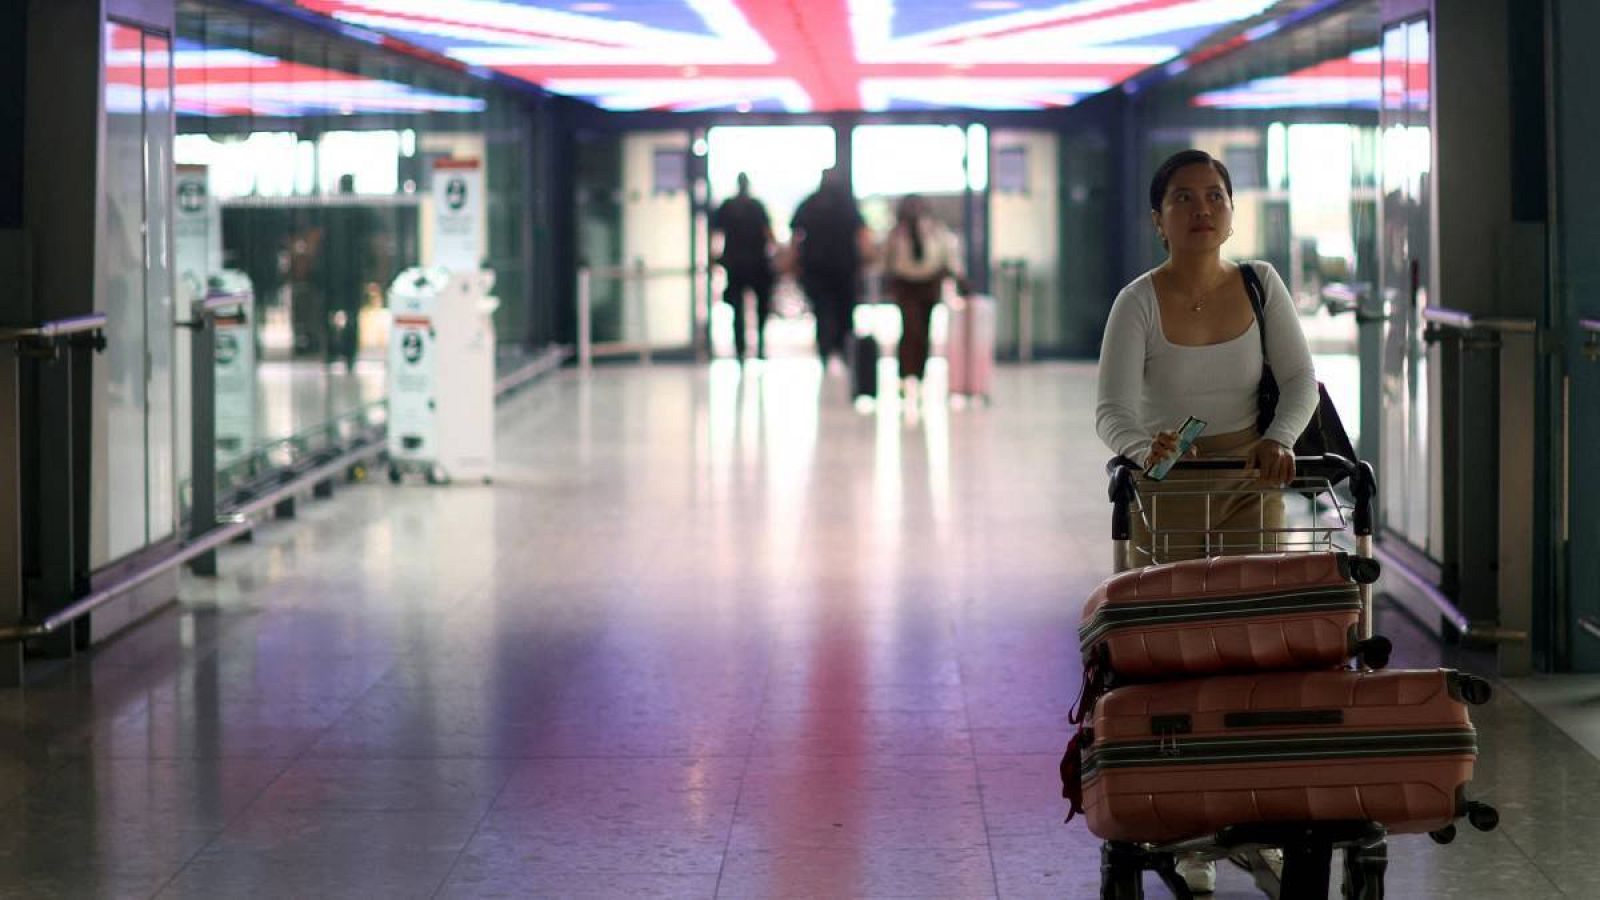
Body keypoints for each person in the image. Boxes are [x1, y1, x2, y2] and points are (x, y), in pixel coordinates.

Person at [1094, 148, 1316, 893]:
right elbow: (1111, 411)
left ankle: (1256, 824)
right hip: (1167, 493)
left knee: (1253, 654)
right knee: (1177, 660)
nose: (1201, 209)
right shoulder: (1138, 303)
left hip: (1251, 483)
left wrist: (1280, 439)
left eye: (1215, 195)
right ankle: (1188, 833)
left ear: (1231, 210)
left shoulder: (1261, 285)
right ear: (1157, 220)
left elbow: (1300, 380)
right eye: (1183, 198)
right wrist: (1143, 449)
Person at [881, 194, 964, 407]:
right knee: (911, 327)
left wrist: (956, 277)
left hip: (929, 284)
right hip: (905, 285)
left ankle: (919, 375)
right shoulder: (897, 233)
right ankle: (905, 375)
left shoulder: (936, 230)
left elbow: (948, 255)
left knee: (924, 330)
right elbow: (887, 260)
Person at [790, 168, 868, 367]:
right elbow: (862, 233)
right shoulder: (846, 204)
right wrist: (865, 259)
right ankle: (842, 351)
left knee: (822, 310)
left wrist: (795, 261)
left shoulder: (810, 203)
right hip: (842, 267)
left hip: (817, 267)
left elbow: (795, 235)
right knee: (843, 311)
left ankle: (826, 350)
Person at [711, 173, 776, 361]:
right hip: (756, 264)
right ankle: (759, 346)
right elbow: (769, 234)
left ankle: (740, 348)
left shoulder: (728, 207)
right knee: (759, 308)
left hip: (736, 264)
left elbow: (715, 234)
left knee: (738, 309)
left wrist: (713, 257)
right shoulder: (756, 206)